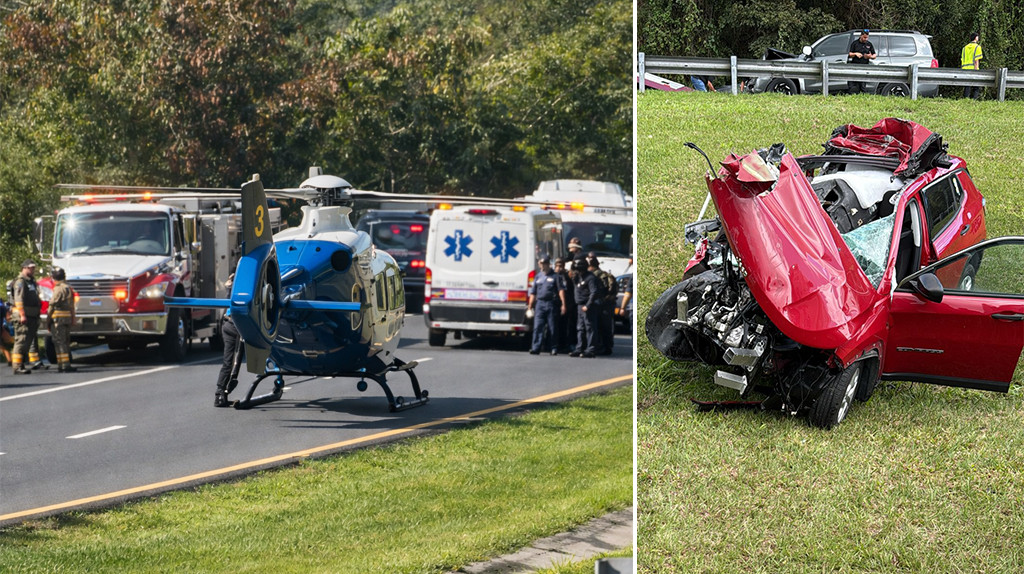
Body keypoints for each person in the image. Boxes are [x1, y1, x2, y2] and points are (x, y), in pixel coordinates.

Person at [527, 256, 566, 355]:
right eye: (540, 263)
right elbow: (533, 292)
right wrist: (530, 306)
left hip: (551, 303)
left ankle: (553, 347)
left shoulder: (556, 276)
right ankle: (536, 347)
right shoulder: (538, 276)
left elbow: (561, 291)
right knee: (538, 327)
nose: (541, 266)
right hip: (540, 304)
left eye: (543, 263)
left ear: (548, 264)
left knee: (552, 327)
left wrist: (563, 304)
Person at [11, 260, 42, 374]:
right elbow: (18, 300)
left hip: (32, 315)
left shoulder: (31, 281)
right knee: (21, 340)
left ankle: (22, 363)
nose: (32, 270)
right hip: (23, 316)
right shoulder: (20, 282)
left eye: (33, 268)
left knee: (27, 341)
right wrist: (22, 315)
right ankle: (17, 366)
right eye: (30, 268)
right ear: (24, 268)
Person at [215, 275, 242, 407]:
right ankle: (226, 388)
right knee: (236, 361)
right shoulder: (243, 287)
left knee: (228, 362)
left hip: (226, 324)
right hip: (236, 325)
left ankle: (220, 394)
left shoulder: (231, 286)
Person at [569, 256, 604, 358]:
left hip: (588, 306)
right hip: (579, 306)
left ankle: (591, 349)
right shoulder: (578, 277)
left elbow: (594, 292)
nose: (576, 271)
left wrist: (588, 305)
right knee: (580, 328)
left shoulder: (590, 278)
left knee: (590, 328)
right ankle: (579, 348)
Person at [47, 267, 77, 373]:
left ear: (54, 277)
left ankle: (64, 365)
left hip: (58, 320)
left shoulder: (59, 288)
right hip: (67, 319)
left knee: (59, 342)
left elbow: (52, 304)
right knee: (64, 341)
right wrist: (73, 318)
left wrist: (47, 319)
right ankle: (63, 364)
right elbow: (72, 306)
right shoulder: (68, 288)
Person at [587, 254, 617, 355]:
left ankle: (603, 347)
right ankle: (606, 346)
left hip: (602, 304)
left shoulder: (593, 276)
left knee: (600, 327)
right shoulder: (606, 275)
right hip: (606, 305)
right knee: (605, 327)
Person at [553, 257, 576, 354]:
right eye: (557, 266)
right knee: (553, 326)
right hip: (553, 305)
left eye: (561, 266)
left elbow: (571, 292)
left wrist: (568, 305)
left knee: (564, 326)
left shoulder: (567, 277)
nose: (559, 268)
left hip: (565, 305)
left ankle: (563, 345)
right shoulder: (551, 276)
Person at [847, 29, 876, 94]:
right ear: (861, 36)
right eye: (864, 37)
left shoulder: (869, 44)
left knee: (863, 85)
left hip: (865, 67)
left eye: (867, 37)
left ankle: (862, 95)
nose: (865, 39)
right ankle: (852, 94)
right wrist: (855, 54)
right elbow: (849, 54)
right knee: (853, 84)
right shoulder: (855, 43)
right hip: (855, 66)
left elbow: (874, 55)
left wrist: (870, 56)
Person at [962, 32, 983, 99]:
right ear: (976, 38)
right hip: (973, 68)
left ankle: (966, 98)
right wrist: (976, 70)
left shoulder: (965, 48)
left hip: (965, 68)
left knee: (967, 85)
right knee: (976, 86)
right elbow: (976, 60)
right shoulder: (977, 47)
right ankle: (974, 99)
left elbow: (962, 59)